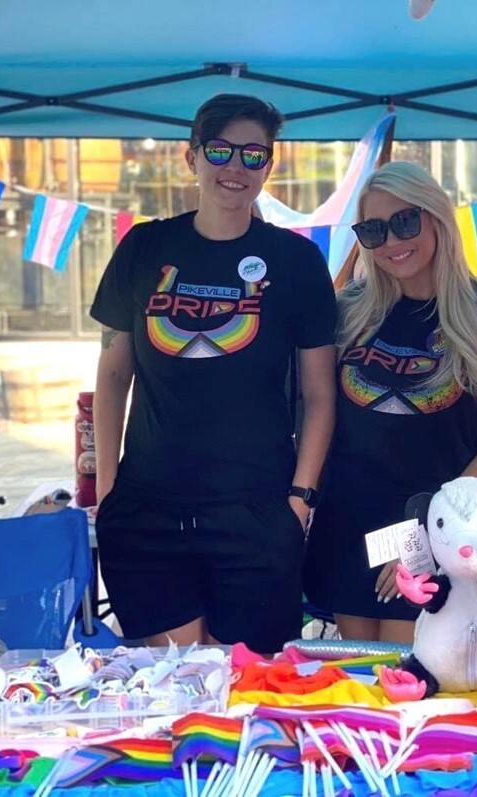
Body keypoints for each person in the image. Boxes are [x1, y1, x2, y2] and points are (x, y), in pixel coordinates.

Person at [91, 94, 337, 654]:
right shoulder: (145, 247)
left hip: (255, 509)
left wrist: (301, 499)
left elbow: (320, 396)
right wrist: (109, 490)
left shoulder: (295, 261)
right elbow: (111, 378)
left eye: (255, 155)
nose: (237, 169)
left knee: (244, 688)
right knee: (174, 686)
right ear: (192, 157)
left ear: (270, 166)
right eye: (221, 151)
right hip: (149, 509)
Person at [303, 161, 477, 644]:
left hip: (433, 526)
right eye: (373, 230)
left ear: (436, 219)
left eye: (406, 221)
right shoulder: (348, 310)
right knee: (359, 680)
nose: (391, 242)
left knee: (409, 675)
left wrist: (429, 532)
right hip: (350, 525)